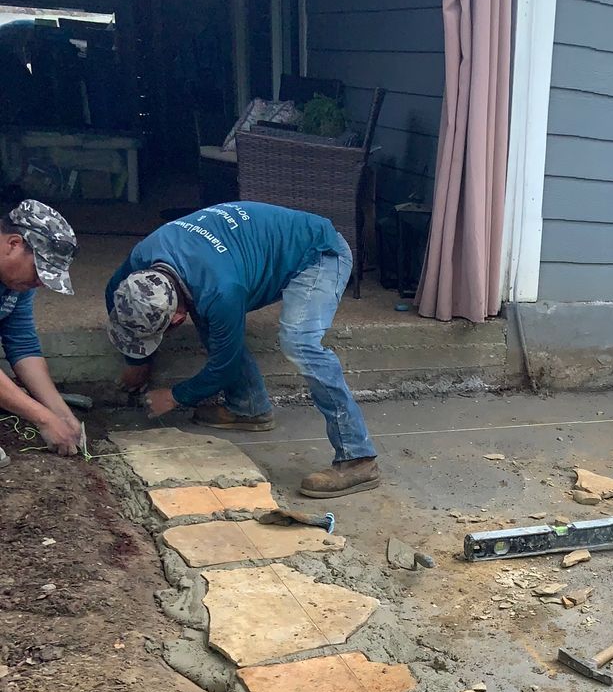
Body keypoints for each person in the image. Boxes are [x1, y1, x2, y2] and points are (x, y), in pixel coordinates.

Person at [105, 201, 380, 496]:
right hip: (243, 254)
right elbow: (112, 293)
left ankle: (357, 457)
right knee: (213, 318)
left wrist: (175, 396)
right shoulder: (143, 258)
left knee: (299, 341)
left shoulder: (222, 291)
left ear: (177, 318)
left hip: (319, 252)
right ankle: (249, 409)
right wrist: (137, 361)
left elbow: (226, 363)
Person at [0, 197, 85, 457]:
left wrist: (60, 411)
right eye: (39, 273)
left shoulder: (17, 282)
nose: (40, 283)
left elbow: (22, 344)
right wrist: (44, 419)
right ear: (14, 244)